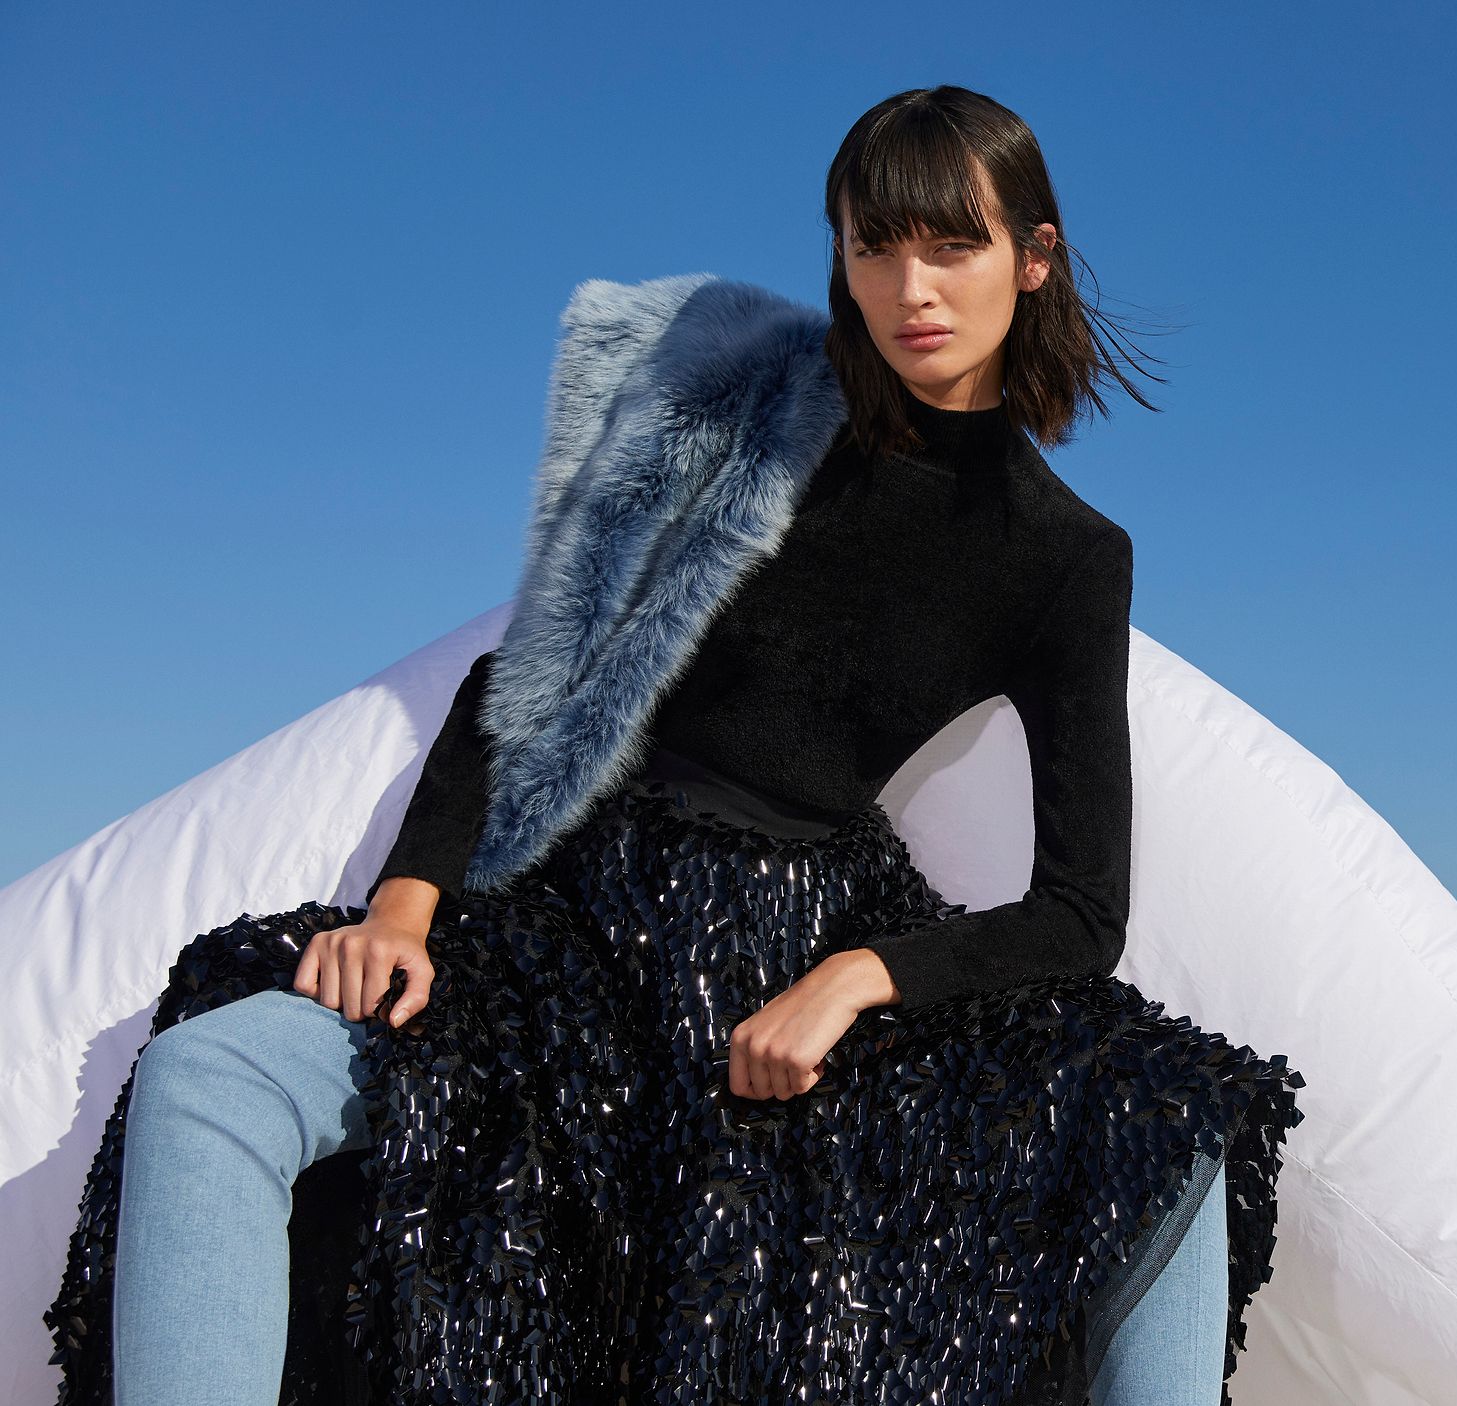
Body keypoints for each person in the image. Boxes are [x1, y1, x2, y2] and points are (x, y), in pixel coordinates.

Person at [47, 86, 1304, 1406]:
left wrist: (857, 979)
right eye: (873, 247)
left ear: (1034, 257)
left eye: (953, 245)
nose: (911, 288)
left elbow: (1082, 912)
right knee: (211, 1072)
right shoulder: (754, 410)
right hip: (572, 945)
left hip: (806, 964)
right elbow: (526, 678)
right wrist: (405, 905)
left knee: (1169, 1122)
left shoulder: (1066, 557)